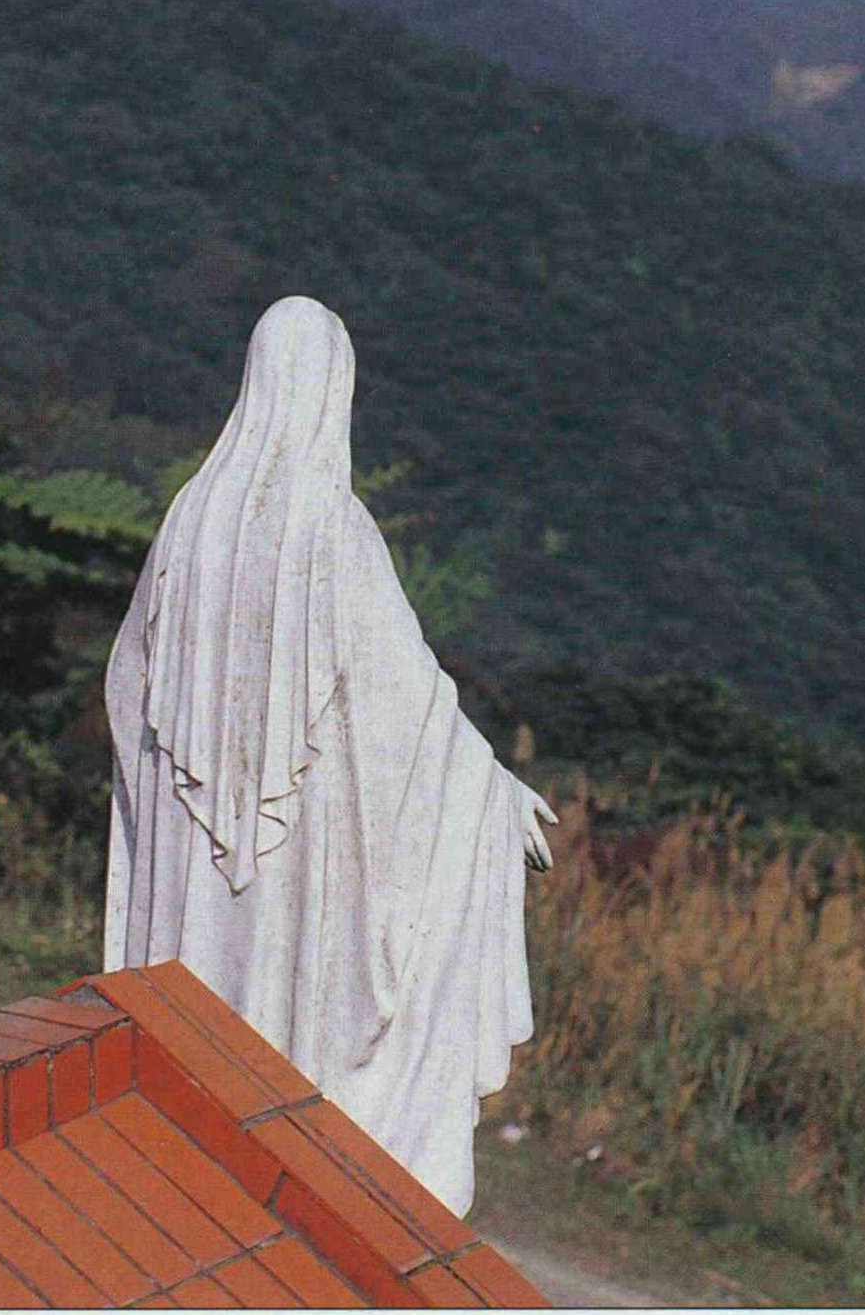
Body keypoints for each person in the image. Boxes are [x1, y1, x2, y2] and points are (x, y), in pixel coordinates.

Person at [104, 296, 557, 1217]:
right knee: (285, 1048)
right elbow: (408, 704)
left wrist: (187, 789)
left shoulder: (191, 517)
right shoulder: (333, 530)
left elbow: (126, 683)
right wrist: (493, 794)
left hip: (198, 879)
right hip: (297, 871)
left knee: (203, 1047)